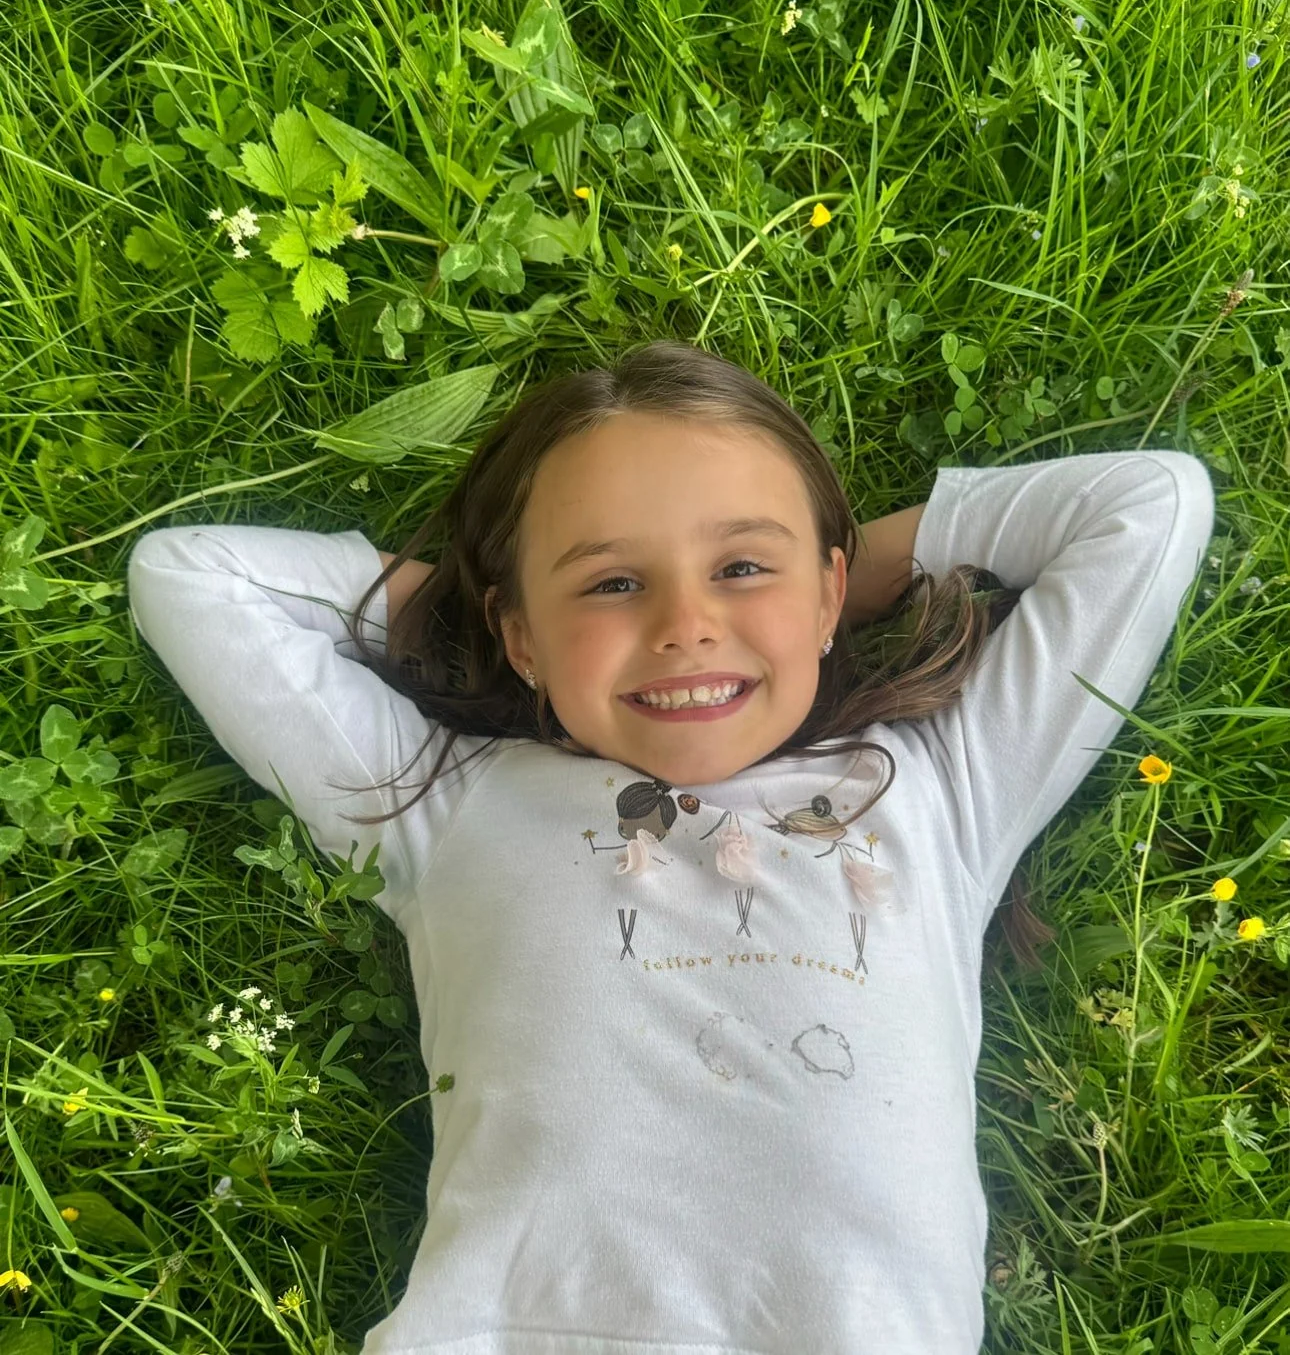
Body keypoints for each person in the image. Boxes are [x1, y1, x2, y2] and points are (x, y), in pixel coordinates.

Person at [126, 339, 1216, 1353]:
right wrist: (489, 627)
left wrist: (831, 582)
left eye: (741, 568)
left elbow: (1150, 503)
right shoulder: (448, 806)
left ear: (831, 591)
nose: (685, 625)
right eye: (612, 583)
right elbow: (191, 578)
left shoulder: (940, 790)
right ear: (521, 632)